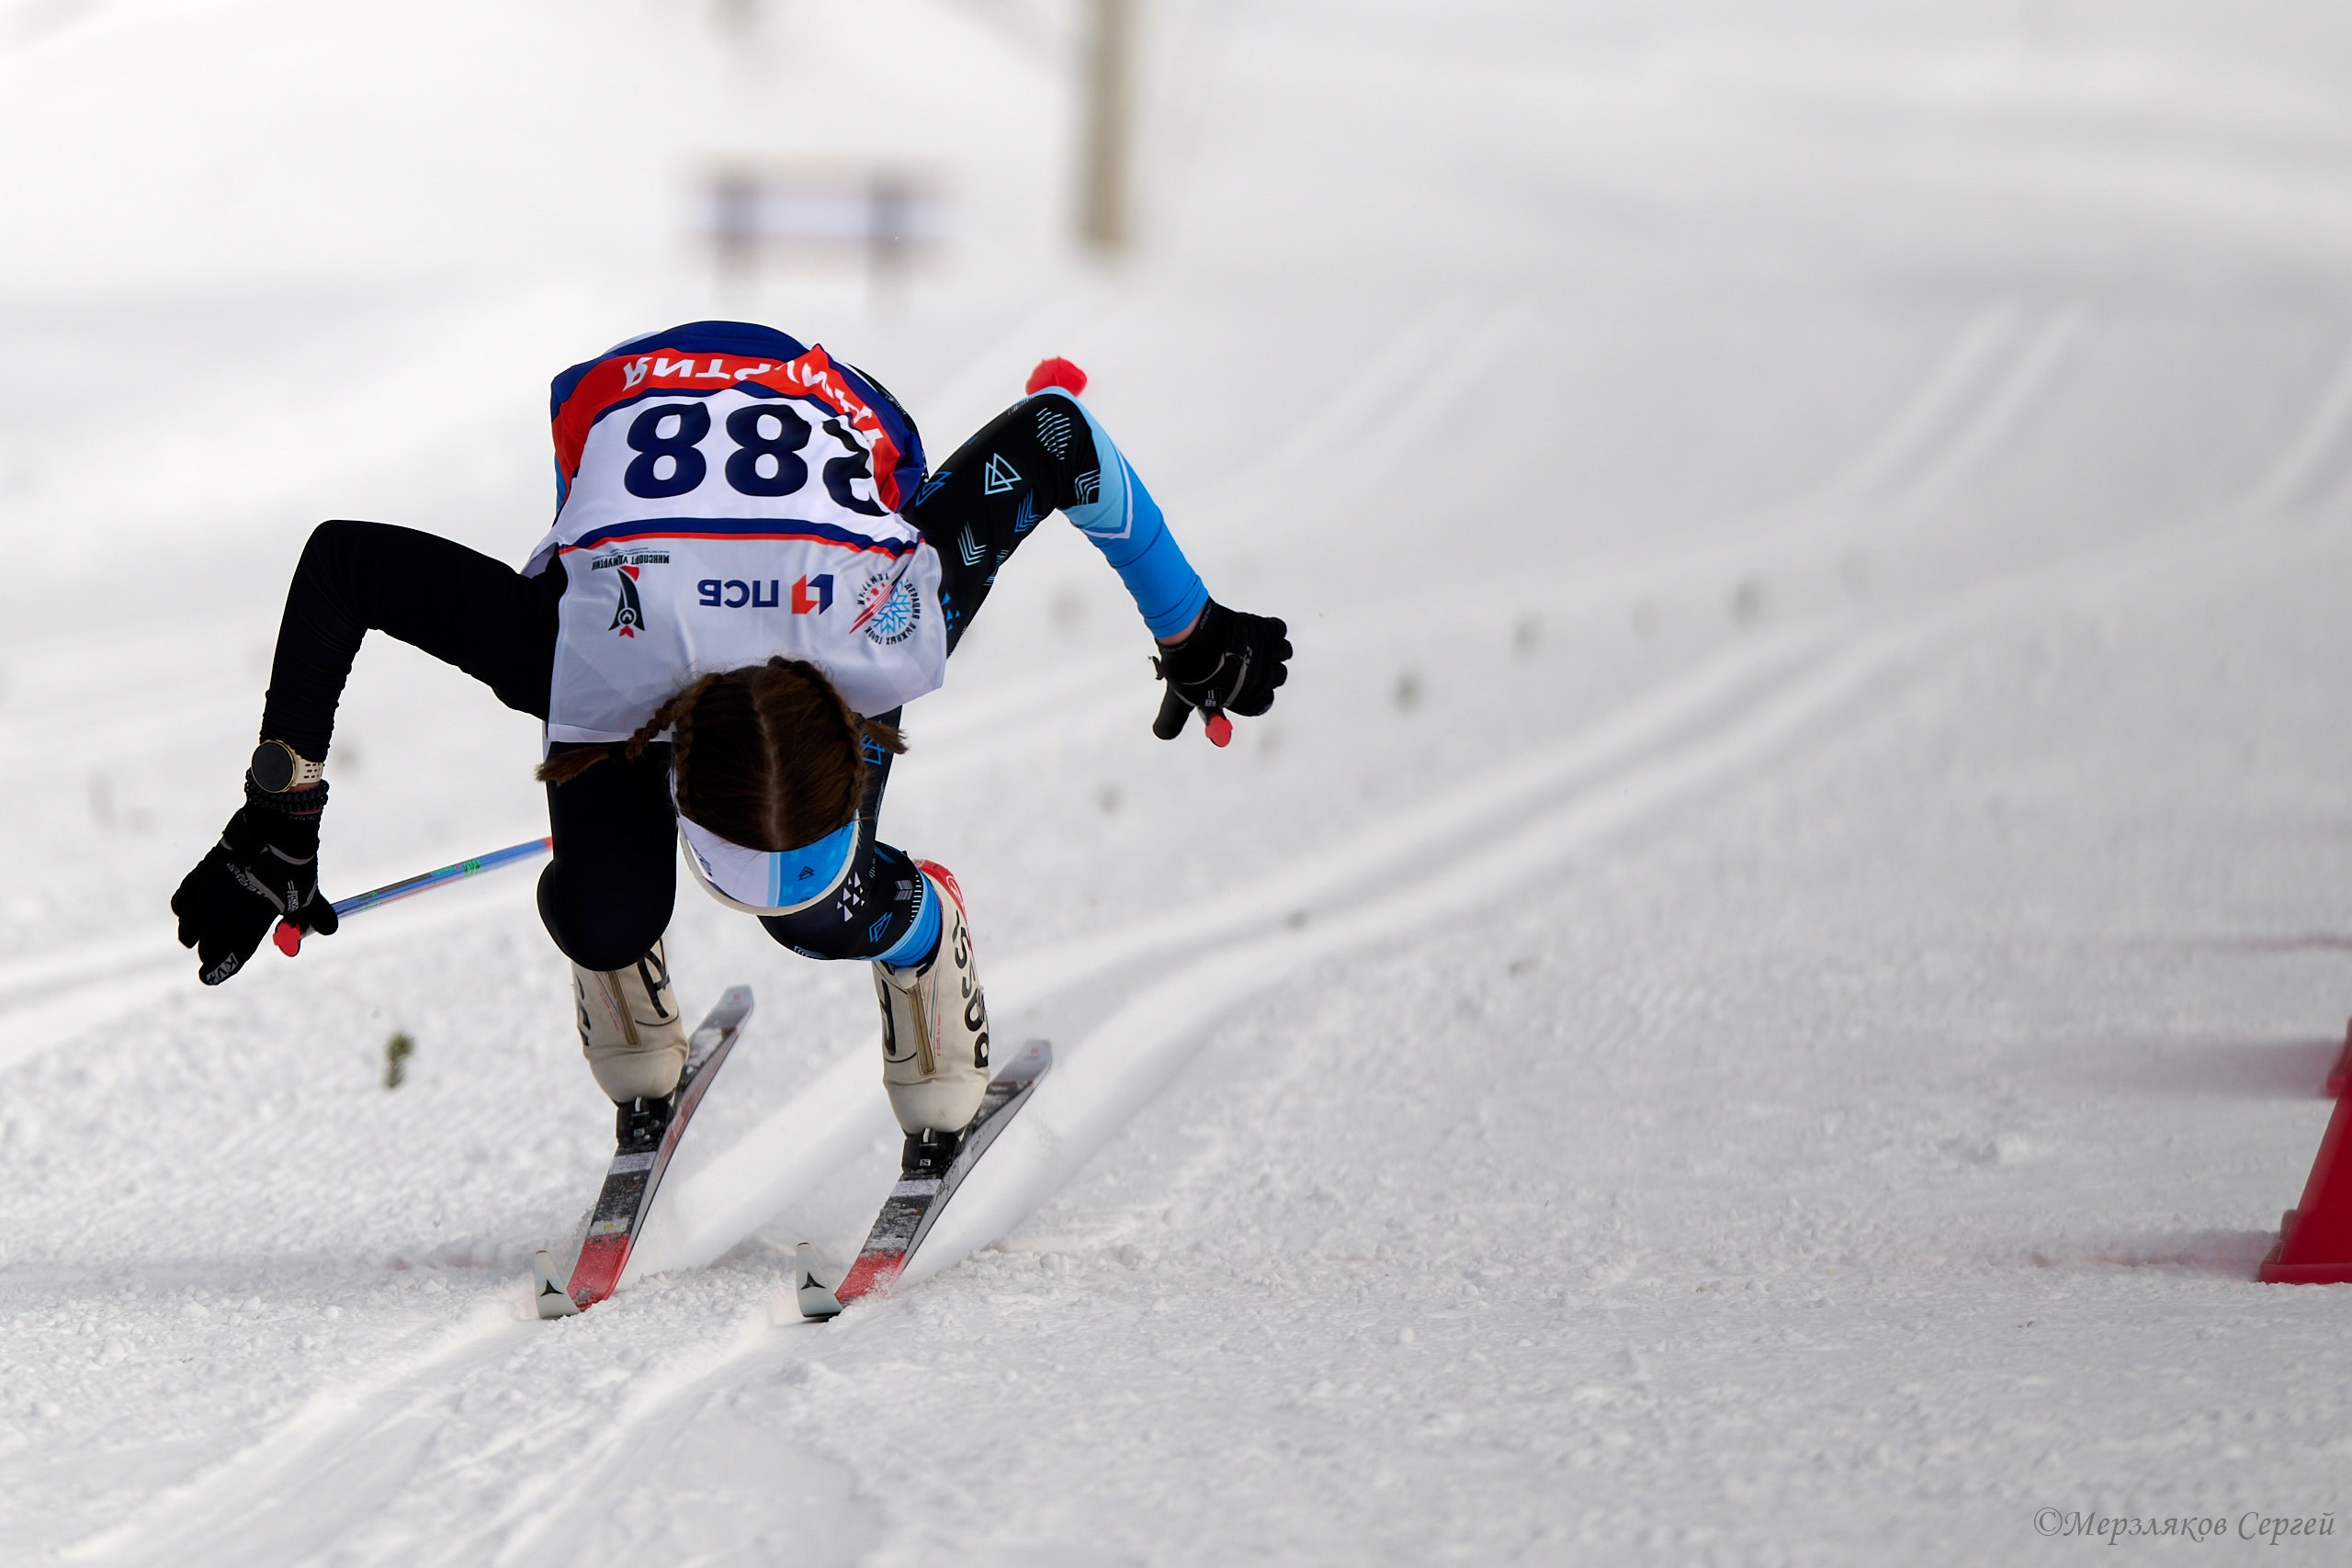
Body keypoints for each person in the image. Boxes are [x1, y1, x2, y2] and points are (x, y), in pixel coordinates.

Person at [168, 321, 1290, 1146]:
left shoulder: (887, 614)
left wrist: (1190, 628)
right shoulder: (583, 648)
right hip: (642, 448)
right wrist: (280, 811)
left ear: (862, 737)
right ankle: (628, 936)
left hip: (821, 415)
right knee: (606, 907)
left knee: (810, 918)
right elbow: (342, 562)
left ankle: (917, 928)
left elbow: (1053, 435)